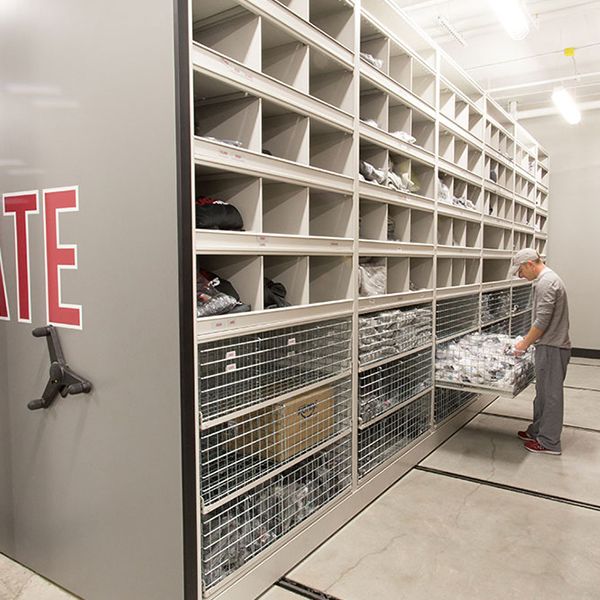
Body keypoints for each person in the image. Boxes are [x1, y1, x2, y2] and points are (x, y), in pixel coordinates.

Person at [511, 248, 571, 455]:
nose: (520, 275)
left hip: (552, 347)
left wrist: (523, 344)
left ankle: (549, 442)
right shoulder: (549, 279)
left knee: (551, 395)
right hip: (549, 346)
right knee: (543, 394)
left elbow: (542, 321)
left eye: (520, 270)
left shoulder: (546, 283)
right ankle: (538, 430)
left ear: (529, 264)